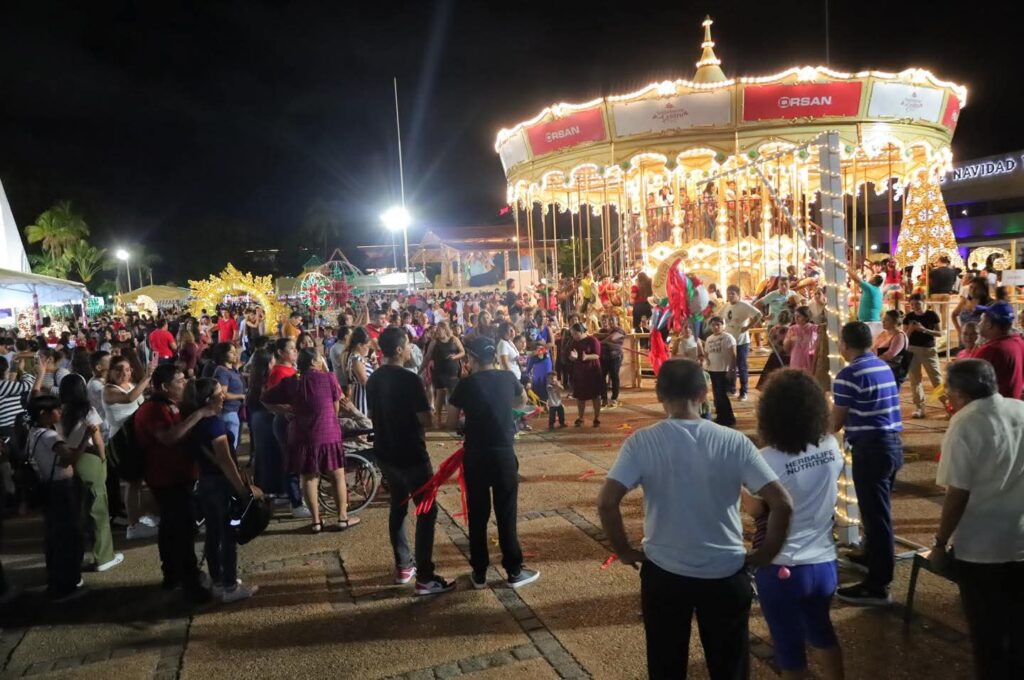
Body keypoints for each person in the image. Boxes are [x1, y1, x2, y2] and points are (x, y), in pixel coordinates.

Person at [597, 359, 793, 679]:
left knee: (666, 664)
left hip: (664, 572)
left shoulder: (642, 442)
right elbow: (782, 503)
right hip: (726, 571)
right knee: (729, 666)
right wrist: (766, 554)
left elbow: (607, 502)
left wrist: (624, 550)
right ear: (703, 394)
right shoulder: (734, 441)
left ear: (659, 395)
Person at [744, 370, 845, 680]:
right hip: (824, 563)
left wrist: (735, 487)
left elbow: (756, 509)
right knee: (823, 632)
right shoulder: (830, 445)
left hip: (781, 566)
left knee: (789, 650)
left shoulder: (765, 459)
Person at [932, 359, 1024, 680]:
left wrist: (940, 542)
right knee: (1018, 625)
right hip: (1020, 539)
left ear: (960, 394)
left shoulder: (964, 424)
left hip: (982, 548)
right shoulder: (1020, 409)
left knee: (987, 633)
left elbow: (957, 494)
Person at [366, 328, 454, 595]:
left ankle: (403, 565)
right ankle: (425, 576)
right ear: (397, 350)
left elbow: (373, 414)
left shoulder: (374, 378)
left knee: (398, 505)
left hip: (386, 451)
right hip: (411, 453)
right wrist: (428, 406)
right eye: (406, 345)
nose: (409, 349)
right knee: (426, 510)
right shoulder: (409, 379)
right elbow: (426, 419)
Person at [446, 336, 538, 589]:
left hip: (476, 455)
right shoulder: (508, 377)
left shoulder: (465, 384)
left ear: (472, 358)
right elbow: (522, 400)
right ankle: (514, 571)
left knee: (478, 515)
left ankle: (479, 573)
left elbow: (450, 423)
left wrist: (466, 422)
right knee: (506, 513)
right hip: (503, 454)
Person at [831, 322, 903, 605]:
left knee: (876, 516)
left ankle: (878, 583)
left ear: (845, 345)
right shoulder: (881, 366)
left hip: (871, 449)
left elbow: (835, 422)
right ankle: (871, 555)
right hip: (891, 445)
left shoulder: (849, 374)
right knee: (877, 509)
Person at [135, 364, 217, 603]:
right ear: (164, 386)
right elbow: (169, 437)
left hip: (179, 476)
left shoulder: (172, 405)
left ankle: (172, 574)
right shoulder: (153, 410)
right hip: (166, 478)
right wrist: (200, 415)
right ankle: (189, 583)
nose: (185, 384)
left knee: (173, 528)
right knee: (181, 530)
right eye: (180, 381)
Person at [263, 348, 359, 532]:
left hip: (302, 435)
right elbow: (336, 408)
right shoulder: (329, 378)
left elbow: (265, 399)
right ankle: (342, 518)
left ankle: (316, 522)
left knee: (309, 478)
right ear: (315, 361)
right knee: (337, 476)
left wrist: (285, 410)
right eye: (320, 358)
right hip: (328, 432)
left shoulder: (291, 382)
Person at [187, 378, 261, 603]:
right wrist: (241, 488)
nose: (223, 397)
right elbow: (225, 459)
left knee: (213, 533)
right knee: (229, 534)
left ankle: (218, 580)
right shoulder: (213, 424)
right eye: (219, 394)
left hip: (205, 483)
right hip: (221, 485)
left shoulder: (196, 422)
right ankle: (230, 586)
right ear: (209, 399)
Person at [26, 395, 97, 601]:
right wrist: (85, 438)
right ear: (44, 414)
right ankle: (67, 585)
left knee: (54, 536)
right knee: (68, 535)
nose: (60, 412)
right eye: (56, 410)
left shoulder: (34, 433)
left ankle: (57, 580)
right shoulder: (50, 436)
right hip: (61, 488)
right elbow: (69, 458)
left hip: (48, 487)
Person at [59, 375, 123, 573]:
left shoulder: (60, 412)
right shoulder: (87, 411)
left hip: (69, 461)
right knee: (98, 508)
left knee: (80, 509)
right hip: (89, 458)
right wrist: (103, 460)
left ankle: (78, 556)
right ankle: (104, 557)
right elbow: (98, 440)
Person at [103, 354, 160, 540]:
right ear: (110, 372)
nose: (124, 373)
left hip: (137, 437)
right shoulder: (109, 390)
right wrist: (147, 377)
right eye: (119, 369)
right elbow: (129, 399)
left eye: (127, 369)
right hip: (122, 440)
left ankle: (148, 515)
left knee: (146, 479)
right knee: (133, 483)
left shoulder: (132, 385)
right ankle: (133, 526)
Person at [267, 337, 310, 519]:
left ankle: (298, 496)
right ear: (280, 352)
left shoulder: (293, 369)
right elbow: (270, 399)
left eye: (295, 348)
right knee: (291, 461)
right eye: (291, 349)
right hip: (285, 421)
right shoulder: (278, 372)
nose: (295, 351)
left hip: (296, 420)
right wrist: (286, 409)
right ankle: (296, 503)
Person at [972, 300, 1024, 399]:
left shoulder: (991, 350)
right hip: (1013, 404)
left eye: (982, 320)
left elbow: (971, 383)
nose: (979, 324)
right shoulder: (1019, 343)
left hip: (992, 406)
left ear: (989, 324)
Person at [903, 294, 943, 418]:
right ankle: (919, 407)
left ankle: (947, 405)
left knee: (936, 379)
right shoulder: (909, 317)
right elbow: (904, 336)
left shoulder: (932, 315)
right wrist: (911, 329)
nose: (915, 307)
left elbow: (940, 333)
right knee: (915, 380)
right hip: (912, 350)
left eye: (918, 304)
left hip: (928, 350)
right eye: (912, 304)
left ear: (924, 302)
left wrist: (924, 330)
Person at [422, 321, 464, 429]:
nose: (437, 331)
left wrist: (455, 357)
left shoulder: (454, 339)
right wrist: (421, 369)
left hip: (453, 371)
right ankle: (438, 419)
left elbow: (462, 352)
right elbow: (427, 356)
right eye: (437, 330)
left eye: (439, 329)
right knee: (440, 394)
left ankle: (451, 420)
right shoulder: (434, 342)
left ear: (445, 329)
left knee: (452, 394)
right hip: (439, 371)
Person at [723, 284, 762, 401]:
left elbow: (758, 315)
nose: (730, 296)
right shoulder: (726, 306)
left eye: (732, 294)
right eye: (728, 293)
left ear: (738, 295)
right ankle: (731, 388)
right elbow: (719, 317)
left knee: (742, 366)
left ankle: (744, 391)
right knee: (731, 366)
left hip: (741, 342)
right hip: (730, 341)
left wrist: (748, 327)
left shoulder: (744, 305)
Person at [704, 316, 737, 427]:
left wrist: (732, 369)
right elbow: (706, 353)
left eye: (718, 324)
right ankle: (720, 416)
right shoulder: (709, 339)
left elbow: (733, 355)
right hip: (712, 370)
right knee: (717, 396)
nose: (716, 327)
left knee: (722, 395)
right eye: (713, 325)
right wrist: (707, 362)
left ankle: (729, 419)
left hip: (723, 370)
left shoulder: (728, 337)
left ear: (723, 325)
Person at [568, 323, 603, 427]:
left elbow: (597, 355)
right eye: (572, 334)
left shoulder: (592, 340)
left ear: (581, 331)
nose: (574, 336)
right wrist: (572, 357)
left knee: (595, 395)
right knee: (580, 396)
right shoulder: (574, 342)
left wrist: (587, 357)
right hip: (579, 372)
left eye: (575, 334)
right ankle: (581, 417)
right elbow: (570, 356)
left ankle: (597, 417)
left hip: (592, 371)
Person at [210, 343, 245, 443]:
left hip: (235, 411)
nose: (235, 355)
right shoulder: (222, 371)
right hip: (228, 412)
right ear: (223, 354)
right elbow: (222, 394)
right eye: (231, 352)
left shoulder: (231, 370)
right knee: (231, 445)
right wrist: (242, 396)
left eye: (235, 352)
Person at [597, 313, 626, 408]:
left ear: (617, 321)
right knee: (601, 377)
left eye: (613, 320)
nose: (610, 322)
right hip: (603, 357)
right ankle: (604, 398)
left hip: (615, 356)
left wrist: (602, 341)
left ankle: (614, 398)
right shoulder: (602, 331)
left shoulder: (620, 330)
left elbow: (612, 338)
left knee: (614, 376)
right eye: (609, 320)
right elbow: (595, 336)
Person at [345, 327, 374, 416]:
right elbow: (364, 381)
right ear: (359, 345)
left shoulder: (356, 357)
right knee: (364, 420)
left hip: (363, 395)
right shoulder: (356, 359)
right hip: (362, 397)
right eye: (367, 346)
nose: (368, 349)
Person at [784, 306, 818, 373]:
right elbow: (786, 348)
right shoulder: (792, 329)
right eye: (795, 316)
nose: (796, 318)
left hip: (810, 360)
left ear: (806, 317)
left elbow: (816, 344)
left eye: (799, 316)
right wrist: (789, 340)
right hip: (796, 359)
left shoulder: (814, 328)